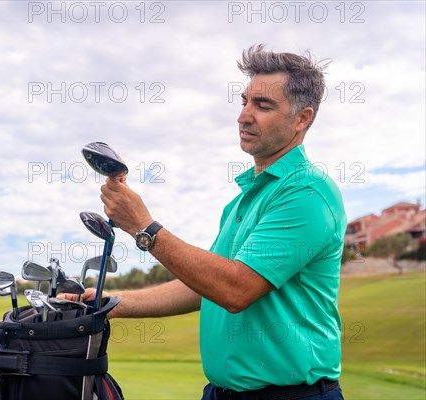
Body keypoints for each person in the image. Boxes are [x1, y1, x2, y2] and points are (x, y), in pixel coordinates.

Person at [79, 44, 346, 399]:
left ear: (302, 118)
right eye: (245, 101)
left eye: (263, 105)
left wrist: (143, 227)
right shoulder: (242, 200)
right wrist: (111, 303)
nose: (243, 116)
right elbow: (202, 286)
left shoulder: (308, 194)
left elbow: (235, 289)